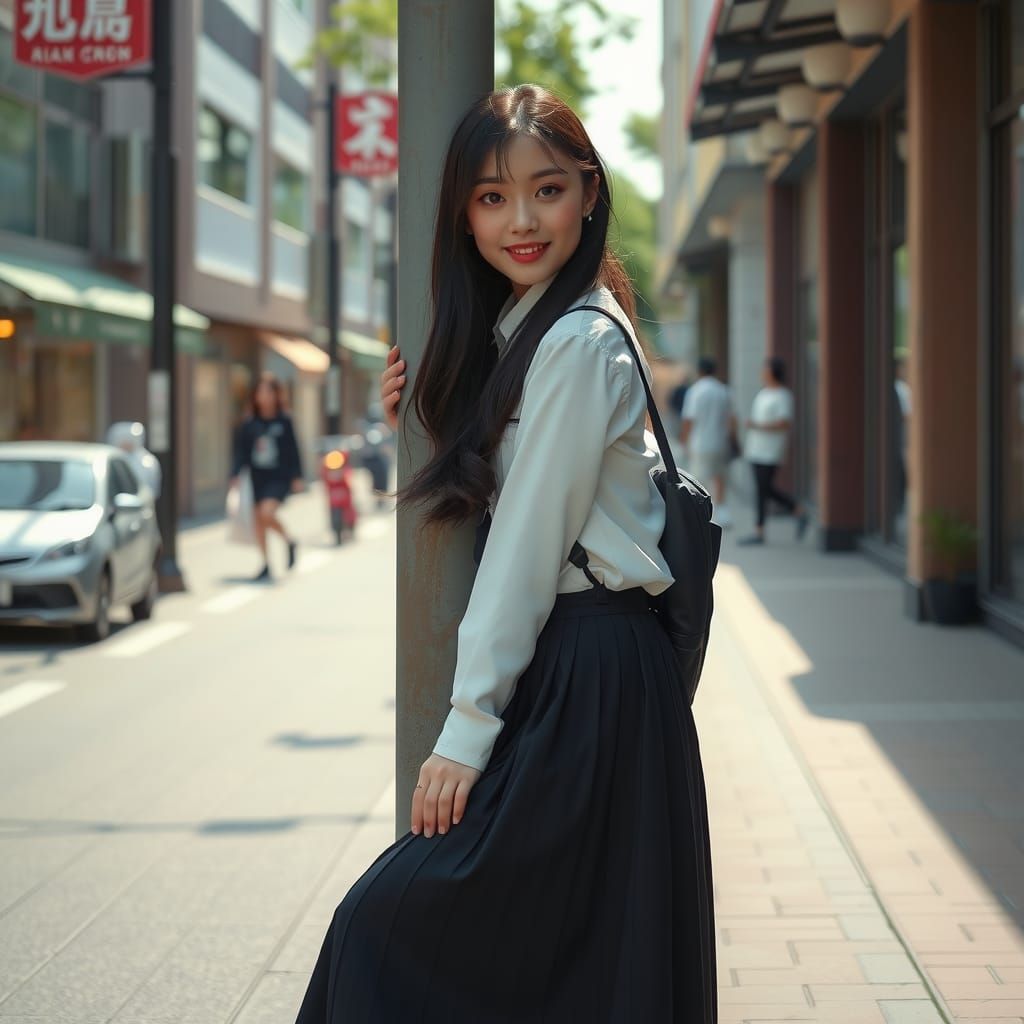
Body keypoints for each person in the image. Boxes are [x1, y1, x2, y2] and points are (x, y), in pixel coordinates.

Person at [297, 85, 717, 1023]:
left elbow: (525, 547)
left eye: (546, 190)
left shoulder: (575, 340)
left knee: (388, 924)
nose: (520, 220)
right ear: (463, 214)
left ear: (589, 194)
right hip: (587, 674)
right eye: (491, 198)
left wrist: (465, 727)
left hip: (589, 672)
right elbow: (500, 501)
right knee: (576, 966)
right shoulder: (532, 332)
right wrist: (414, 415)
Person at [230, 372, 303, 581]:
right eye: (260, 392)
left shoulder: (284, 421)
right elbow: (241, 452)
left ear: (276, 395)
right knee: (258, 521)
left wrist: (297, 475)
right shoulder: (249, 423)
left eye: (268, 392)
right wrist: (234, 474)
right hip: (256, 477)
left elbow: (293, 449)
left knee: (266, 513)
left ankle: (289, 540)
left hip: (278, 477)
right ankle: (265, 563)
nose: (264, 396)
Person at [738, 356, 807, 545]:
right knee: (762, 490)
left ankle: (793, 511)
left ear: (773, 371)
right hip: (756, 449)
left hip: (771, 450)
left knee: (764, 489)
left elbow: (784, 423)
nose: (762, 371)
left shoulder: (783, 395)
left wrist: (758, 426)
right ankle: (790, 514)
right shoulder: (764, 393)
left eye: (766, 368)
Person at [680, 356, 735, 527]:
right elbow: (731, 419)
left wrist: (685, 440)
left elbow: (689, 419)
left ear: (700, 371)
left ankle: (699, 514)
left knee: (698, 479)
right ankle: (722, 513)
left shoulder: (695, 391)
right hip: (720, 440)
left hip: (700, 441)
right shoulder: (723, 390)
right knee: (720, 477)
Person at [105, 421, 162, 498]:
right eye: (123, 440)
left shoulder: (146, 461)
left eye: (129, 440)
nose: (126, 444)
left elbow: (152, 488)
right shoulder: (109, 460)